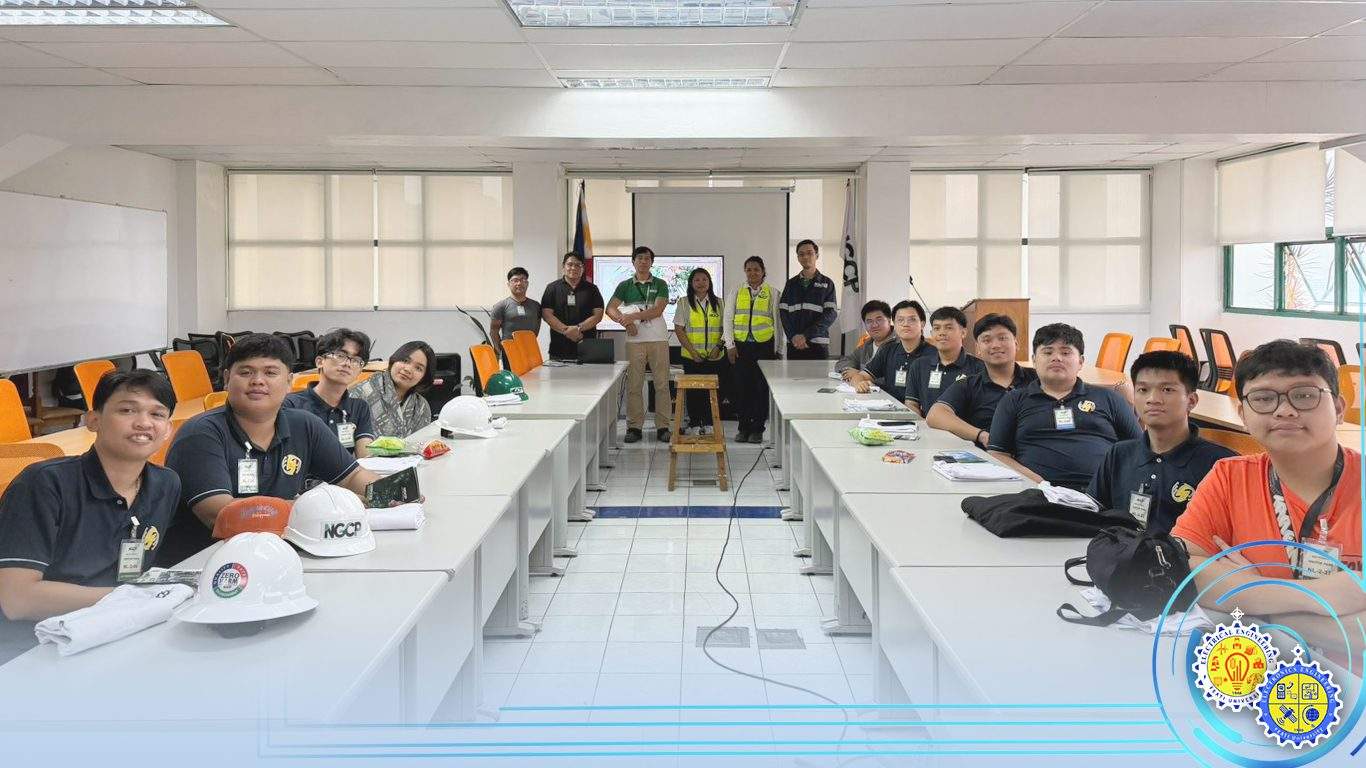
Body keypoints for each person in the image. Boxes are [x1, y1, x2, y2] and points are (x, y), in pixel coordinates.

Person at [1173, 341, 1362, 652]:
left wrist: (1255, 599)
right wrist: (1318, 596)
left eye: (1305, 396)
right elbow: (1181, 569)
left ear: (1339, 409)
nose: (1284, 410)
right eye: (1263, 399)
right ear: (1243, 415)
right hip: (1260, 666)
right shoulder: (1230, 478)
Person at [0, 370, 180, 663]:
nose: (144, 423)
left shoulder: (166, 484)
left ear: (168, 429)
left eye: (157, 414)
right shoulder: (44, 484)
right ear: (93, 420)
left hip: (115, 632)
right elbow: (17, 599)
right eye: (127, 410)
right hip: (33, 647)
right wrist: (132, 599)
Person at [159, 334, 382, 566]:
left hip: (277, 556)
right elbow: (223, 515)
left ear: (289, 381)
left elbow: (353, 476)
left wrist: (392, 493)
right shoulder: (200, 433)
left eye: (270, 373)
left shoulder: (304, 425)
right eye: (246, 372)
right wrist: (317, 510)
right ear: (226, 379)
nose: (258, 380)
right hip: (204, 566)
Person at [1087, 351, 1235, 534]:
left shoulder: (1220, 465)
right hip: (1121, 550)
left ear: (1191, 401)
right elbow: (1093, 516)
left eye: (1167, 390)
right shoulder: (1119, 454)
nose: (1152, 399)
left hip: (1186, 552)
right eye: (1143, 390)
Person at [987, 323, 1141, 490]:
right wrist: (1038, 483)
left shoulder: (1109, 398)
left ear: (1081, 361)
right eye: (1048, 352)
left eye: (1066, 352)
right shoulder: (1014, 400)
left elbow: (1140, 448)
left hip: (1102, 493)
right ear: (1034, 360)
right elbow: (998, 453)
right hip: (1037, 493)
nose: (1057, 358)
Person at [927, 313, 1037, 450]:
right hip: (991, 455)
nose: (996, 345)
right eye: (987, 340)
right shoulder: (969, 384)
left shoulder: (1038, 379)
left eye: (1002, 338)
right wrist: (980, 435)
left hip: (1035, 453)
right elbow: (935, 415)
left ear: (1016, 344)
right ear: (978, 349)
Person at [607, 245, 673, 443]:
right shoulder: (625, 285)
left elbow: (657, 310)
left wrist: (632, 317)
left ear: (652, 262)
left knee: (662, 384)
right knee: (634, 385)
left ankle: (663, 426)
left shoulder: (660, 283)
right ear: (633, 261)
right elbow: (610, 309)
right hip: (634, 342)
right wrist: (625, 323)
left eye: (647, 258)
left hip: (658, 339)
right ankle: (634, 427)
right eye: (640, 258)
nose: (643, 261)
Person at [283, 328, 377, 458]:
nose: (347, 364)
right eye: (340, 355)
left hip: (346, 471)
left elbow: (365, 457)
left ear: (360, 370)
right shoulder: (291, 404)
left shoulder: (359, 407)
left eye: (356, 360)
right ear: (319, 362)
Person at [724, 256, 780, 444]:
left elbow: (778, 323)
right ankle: (743, 428)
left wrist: (779, 349)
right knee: (741, 388)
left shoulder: (773, 293)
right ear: (745, 271)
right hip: (741, 347)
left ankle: (757, 429)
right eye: (748, 269)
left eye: (756, 269)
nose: (752, 272)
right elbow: (728, 318)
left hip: (764, 346)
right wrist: (730, 345)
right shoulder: (736, 291)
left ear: (763, 271)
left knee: (761, 389)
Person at [673, 267, 726, 436]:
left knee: (713, 392)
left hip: (715, 356)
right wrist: (693, 352)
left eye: (704, 279)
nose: (701, 283)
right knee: (694, 391)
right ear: (691, 283)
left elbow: (726, 329)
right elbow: (679, 329)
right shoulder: (683, 302)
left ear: (709, 282)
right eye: (697, 280)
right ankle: (695, 423)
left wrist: (718, 347)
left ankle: (710, 423)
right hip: (691, 357)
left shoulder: (720, 303)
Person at [905, 305, 984, 417]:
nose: (942, 333)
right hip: (927, 426)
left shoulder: (979, 368)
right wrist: (922, 424)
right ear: (931, 333)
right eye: (937, 328)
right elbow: (911, 403)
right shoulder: (919, 365)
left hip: (963, 428)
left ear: (963, 333)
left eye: (949, 327)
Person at [852, 300, 937, 404]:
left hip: (918, 411)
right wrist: (859, 384)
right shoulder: (888, 350)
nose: (905, 324)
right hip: (889, 408)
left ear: (922, 324)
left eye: (912, 319)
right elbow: (861, 376)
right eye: (900, 320)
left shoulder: (934, 355)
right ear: (894, 325)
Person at [350, 340, 436, 438]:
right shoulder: (360, 393)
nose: (408, 369)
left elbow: (421, 443)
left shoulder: (421, 406)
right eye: (405, 361)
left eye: (418, 368)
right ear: (394, 360)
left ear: (424, 377)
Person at [779, 239, 837, 360]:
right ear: (798, 258)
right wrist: (793, 336)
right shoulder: (790, 284)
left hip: (818, 344)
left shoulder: (827, 283)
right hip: (794, 344)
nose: (805, 257)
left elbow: (831, 314)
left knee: (819, 374)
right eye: (801, 254)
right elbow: (783, 314)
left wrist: (805, 336)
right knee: (794, 373)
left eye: (809, 253)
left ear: (817, 255)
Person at [540, 252, 605, 361]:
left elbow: (598, 315)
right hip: (559, 348)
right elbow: (547, 315)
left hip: (586, 346)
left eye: (578, 265)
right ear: (563, 266)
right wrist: (567, 331)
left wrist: (578, 328)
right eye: (570, 264)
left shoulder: (592, 289)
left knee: (589, 373)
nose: (573, 268)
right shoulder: (552, 288)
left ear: (583, 268)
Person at [490, 267, 542, 358]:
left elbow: (536, 328)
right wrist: (499, 351)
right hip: (509, 352)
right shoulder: (501, 306)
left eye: (522, 280)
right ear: (508, 284)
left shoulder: (536, 306)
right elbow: (494, 331)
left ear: (527, 283)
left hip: (530, 351)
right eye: (515, 280)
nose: (519, 283)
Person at [835, 300, 895, 381]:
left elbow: (898, 378)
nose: (874, 325)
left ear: (889, 321)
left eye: (879, 320)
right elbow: (842, 362)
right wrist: (849, 371)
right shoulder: (867, 345)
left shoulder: (900, 344)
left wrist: (862, 375)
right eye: (869, 321)